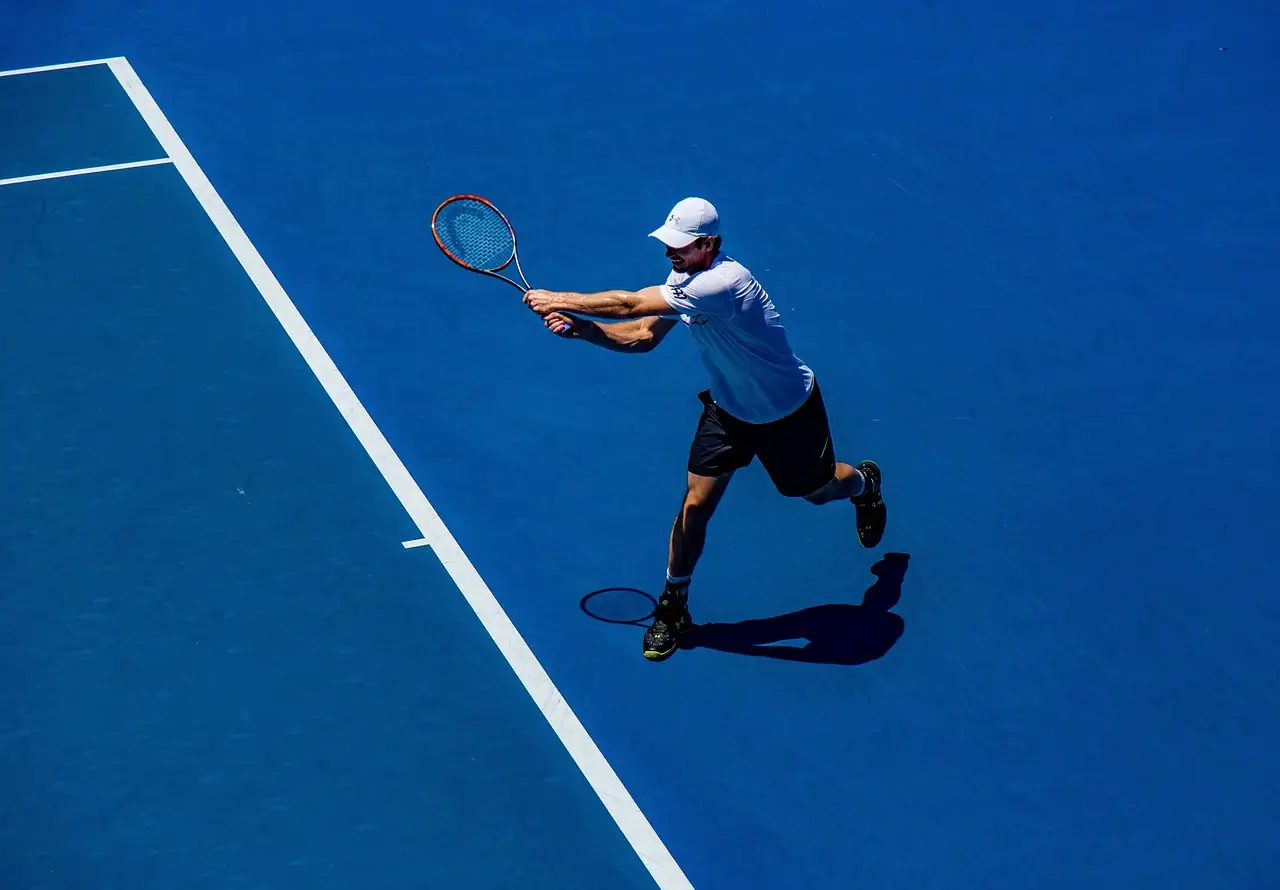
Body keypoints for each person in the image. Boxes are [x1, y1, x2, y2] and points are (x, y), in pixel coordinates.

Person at [522, 197, 886, 661]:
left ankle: (864, 483)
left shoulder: (723, 283)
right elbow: (642, 336)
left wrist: (558, 298)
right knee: (695, 506)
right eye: (667, 243)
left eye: (680, 245)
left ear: (709, 244)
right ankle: (673, 605)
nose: (670, 253)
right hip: (729, 412)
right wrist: (584, 330)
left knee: (816, 491)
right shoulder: (685, 278)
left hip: (788, 412)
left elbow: (630, 304)